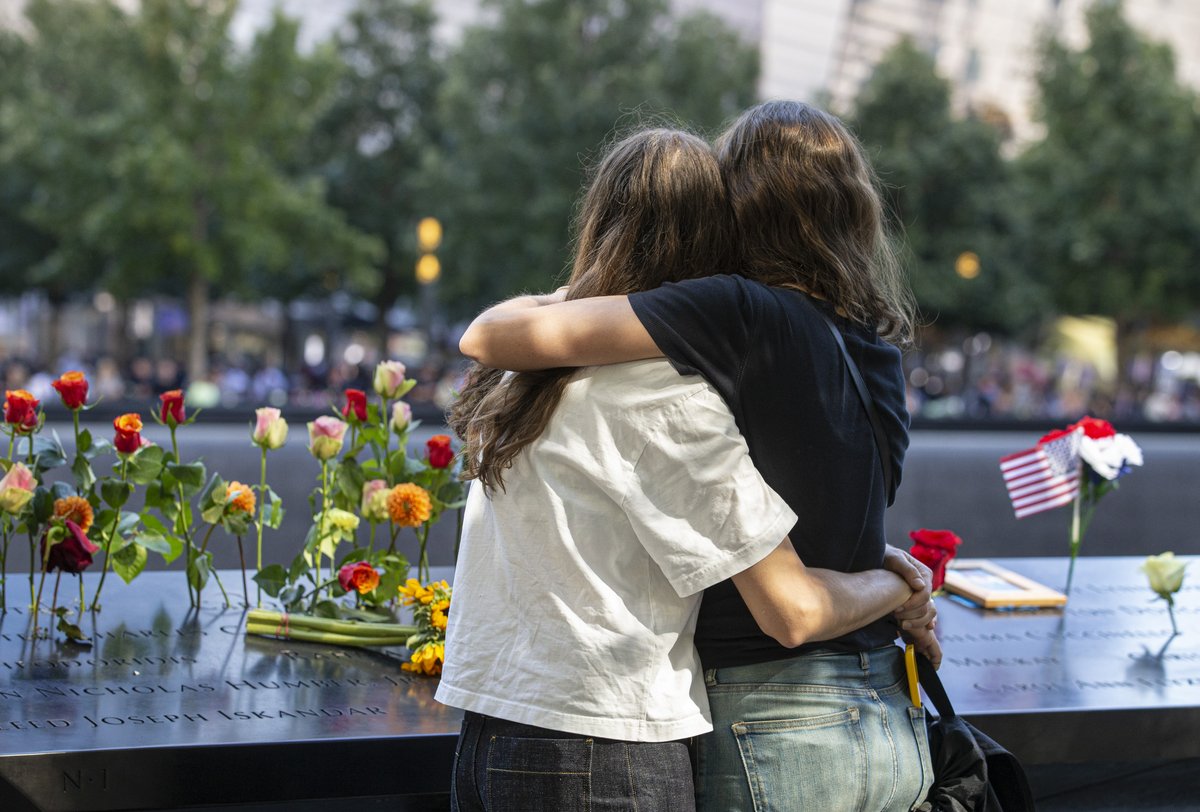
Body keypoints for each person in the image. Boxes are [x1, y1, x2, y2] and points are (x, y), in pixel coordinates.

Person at [439, 126, 935, 812]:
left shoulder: (522, 390)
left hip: (489, 730)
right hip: (611, 746)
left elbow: (488, 333)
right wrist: (898, 583)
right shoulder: (673, 395)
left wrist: (573, 294)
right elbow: (792, 609)